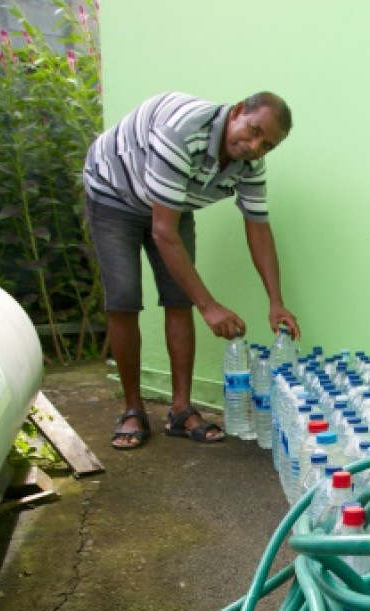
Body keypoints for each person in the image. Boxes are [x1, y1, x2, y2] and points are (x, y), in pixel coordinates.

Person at [83, 91, 301, 449]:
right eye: (254, 130)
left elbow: (258, 227)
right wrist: (210, 306)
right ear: (237, 112)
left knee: (178, 296)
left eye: (267, 145)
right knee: (124, 298)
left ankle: (181, 411)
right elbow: (163, 232)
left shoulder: (250, 165)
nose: (255, 146)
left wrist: (276, 302)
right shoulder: (182, 132)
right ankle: (132, 409)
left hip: (171, 200)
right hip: (114, 191)